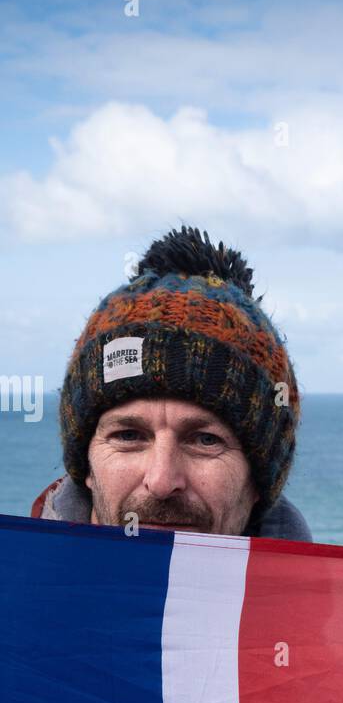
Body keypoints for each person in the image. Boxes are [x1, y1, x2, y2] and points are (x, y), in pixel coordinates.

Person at [31, 225, 311, 541]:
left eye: (206, 440)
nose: (162, 482)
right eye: (127, 435)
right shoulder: (16, 586)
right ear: (86, 469)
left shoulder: (337, 591)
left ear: (259, 483)